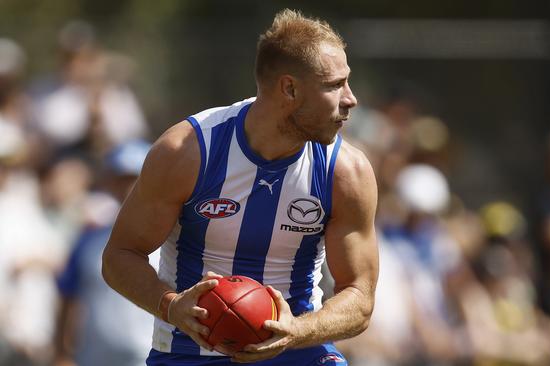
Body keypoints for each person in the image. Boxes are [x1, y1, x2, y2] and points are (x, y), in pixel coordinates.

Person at [102, 9, 379, 366]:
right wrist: (172, 307)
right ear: (289, 88)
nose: (350, 98)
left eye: (348, 81)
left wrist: (297, 331)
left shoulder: (346, 172)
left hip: (296, 351)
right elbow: (119, 257)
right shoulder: (188, 152)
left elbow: (360, 298)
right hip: (190, 354)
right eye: (333, 85)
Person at [54, 140, 158, 366]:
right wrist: (62, 353)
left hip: (146, 356)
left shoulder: (172, 238)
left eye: (134, 178)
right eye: (121, 178)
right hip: (93, 357)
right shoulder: (89, 238)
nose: (127, 186)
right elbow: (68, 295)